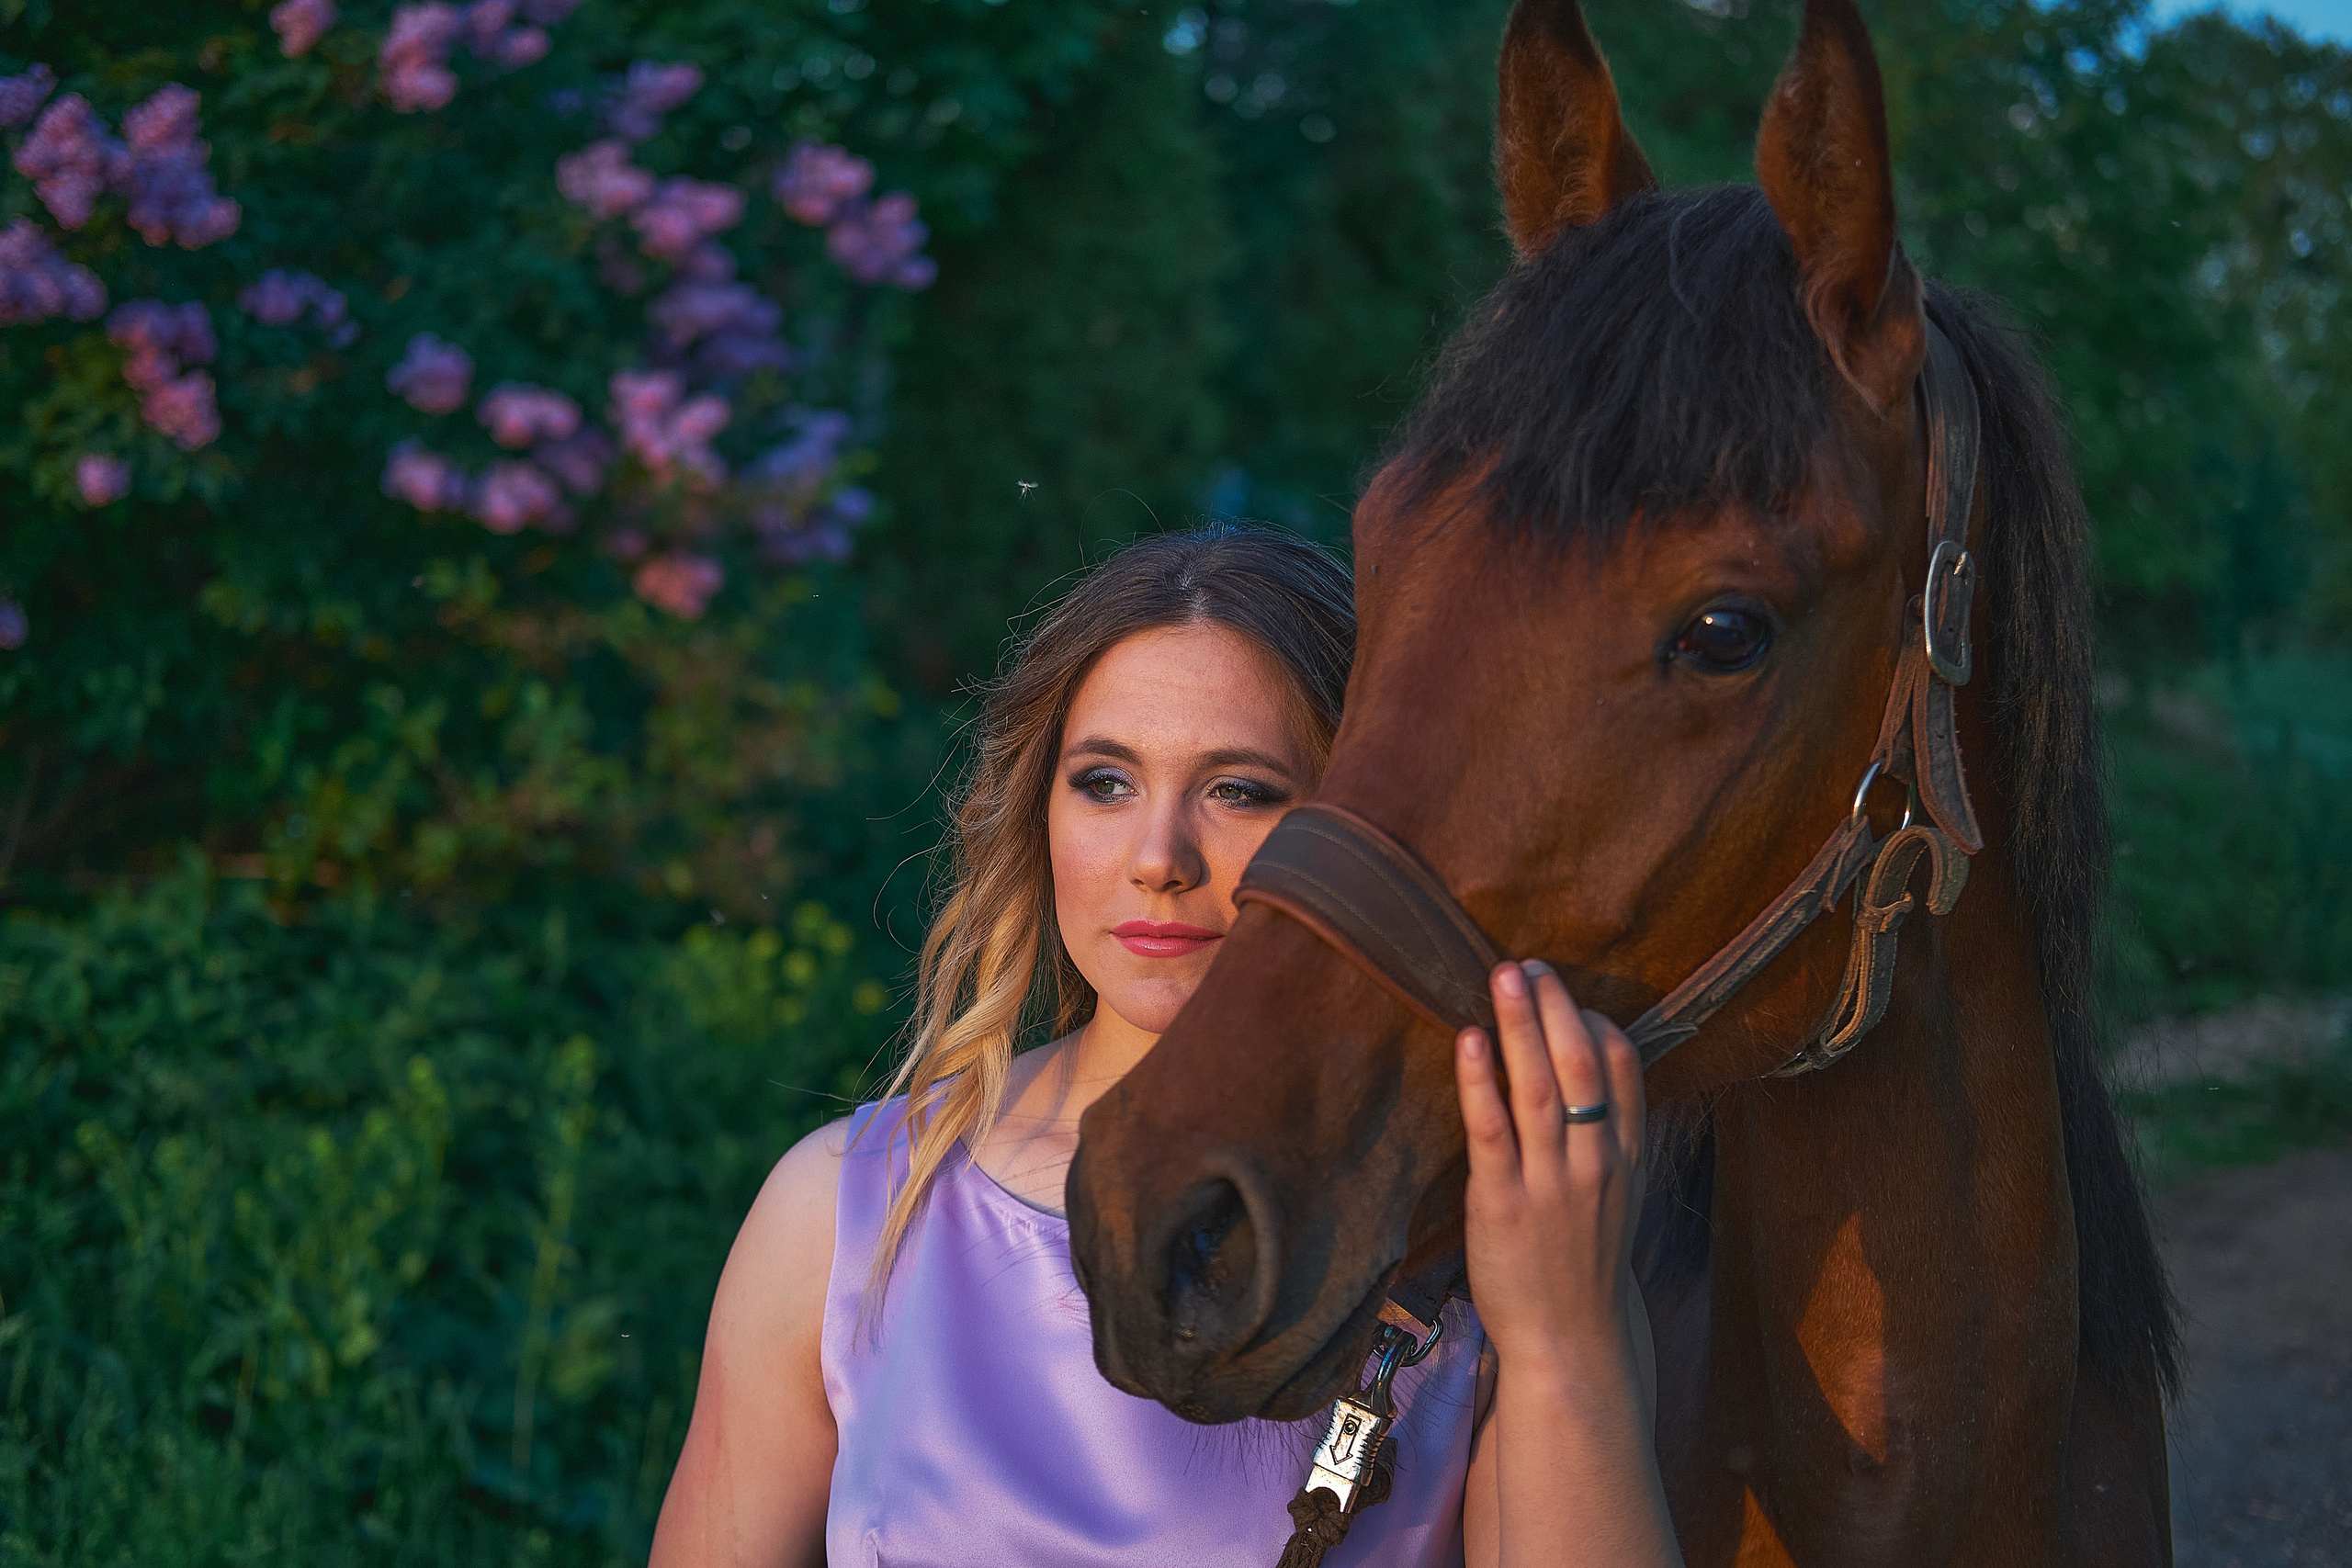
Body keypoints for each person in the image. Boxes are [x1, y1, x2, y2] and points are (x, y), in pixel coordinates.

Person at [650, 525, 1681, 1567]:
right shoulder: (846, 1214)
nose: (1158, 859)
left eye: (1241, 790)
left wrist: (1561, 1338)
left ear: (1359, 832)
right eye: (1104, 782)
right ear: (1038, 811)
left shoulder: (1491, 1242)